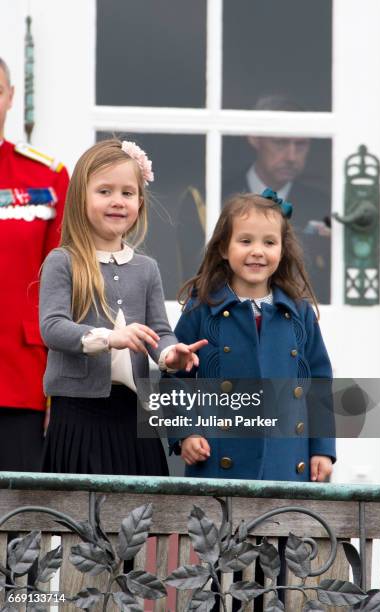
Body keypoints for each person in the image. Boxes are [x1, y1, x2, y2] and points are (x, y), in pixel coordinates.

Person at [39, 138, 207, 475]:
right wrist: (108, 338)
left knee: (139, 515)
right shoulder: (63, 261)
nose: (117, 201)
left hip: (133, 413)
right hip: (77, 412)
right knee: (83, 517)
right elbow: (52, 327)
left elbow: (159, 332)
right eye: (105, 191)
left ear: (140, 203)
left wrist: (168, 355)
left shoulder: (146, 268)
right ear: (80, 199)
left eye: (127, 193)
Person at [170, 190, 336, 481]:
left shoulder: (300, 314)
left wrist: (322, 449)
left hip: (286, 465)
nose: (258, 251)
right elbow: (174, 376)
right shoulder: (201, 309)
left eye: (269, 242)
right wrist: (186, 432)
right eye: (245, 241)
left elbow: (320, 385)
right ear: (223, 248)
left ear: (282, 249)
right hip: (217, 466)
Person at [0, 57, 69, 471]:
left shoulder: (45, 179)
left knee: (19, 520)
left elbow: (61, 289)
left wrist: (57, 390)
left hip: (21, 378)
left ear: (8, 98)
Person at [223, 94, 331, 303]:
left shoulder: (323, 204)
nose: (291, 156)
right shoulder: (211, 198)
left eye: (300, 145)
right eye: (280, 143)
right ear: (255, 138)